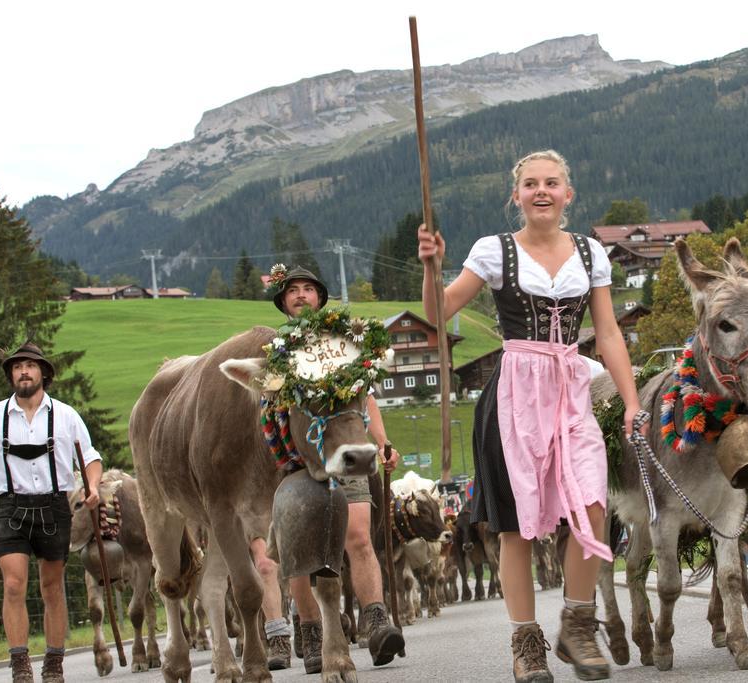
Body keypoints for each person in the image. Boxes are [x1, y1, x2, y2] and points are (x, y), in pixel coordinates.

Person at [417, 150, 642, 682]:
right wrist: (431, 269)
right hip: (514, 393)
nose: (542, 191)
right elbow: (437, 313)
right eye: (531, 184)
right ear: (515, 196)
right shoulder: (494, 251)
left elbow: (607, 333)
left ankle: (578, 624)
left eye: (553, 183)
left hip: (570, 387)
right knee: (515, 527)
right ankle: (525, 641)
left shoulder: (591, 255)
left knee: (590, 506)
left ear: (568, 194)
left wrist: (632, 401)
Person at [262, 265, 405, 673]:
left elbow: (367, 401)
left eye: (310, 289)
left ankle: (375, 620)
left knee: (358, 537)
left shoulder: (345, 346)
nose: (302, 295)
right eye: (294, 291)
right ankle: (310, 630)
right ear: (283, 301)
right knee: (302, 552)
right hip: (299, 462)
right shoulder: (278, 352)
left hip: (350, 455)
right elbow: (268, 413)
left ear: (322, 299)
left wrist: (382, 443)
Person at [0, 342, 102, 683]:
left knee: (52, 587)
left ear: (43, 373)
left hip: (54, 507)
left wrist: (93, 486)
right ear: (11, 375)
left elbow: (90, 458)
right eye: (17, 366)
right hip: (11, 508)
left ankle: (54, 663)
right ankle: (20, 663)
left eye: (30, 365)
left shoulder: (66, 415)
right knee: (13, 585)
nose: (23, 371)